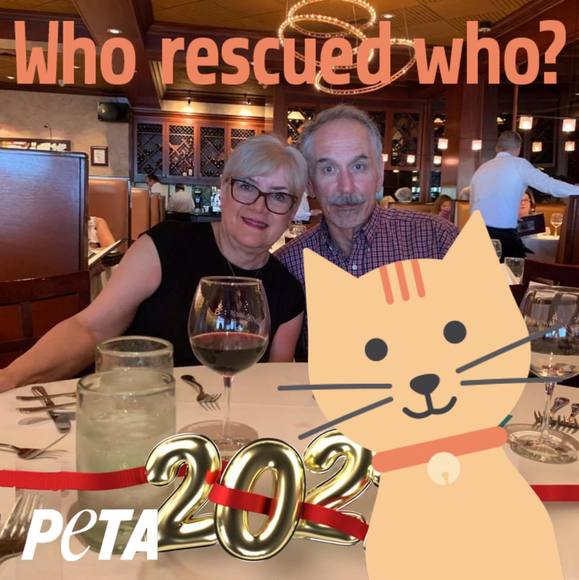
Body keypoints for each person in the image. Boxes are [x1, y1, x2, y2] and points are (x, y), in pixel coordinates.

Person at [0, 135, 308, 391]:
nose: (259, 206)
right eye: (246, 186)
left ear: (293, 211)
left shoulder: (288, 292)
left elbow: (271, 387)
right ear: (224, 190)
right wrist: (11, 378)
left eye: (279, 196)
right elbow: (90, 329)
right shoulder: (166, 245)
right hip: (137, 408)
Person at [275, 105, 458, 360]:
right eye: (328, 169)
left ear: (379, 175)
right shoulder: (289, 265)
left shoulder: (437, 241)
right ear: (310, 184)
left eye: (359, 167)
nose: (346, 188)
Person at [470, 130, 579, 258]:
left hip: (475, 234)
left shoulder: (481, 169)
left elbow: (474, 203)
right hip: (502, 237)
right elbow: (548, 185)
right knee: (515, 268)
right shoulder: (519, 164)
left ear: (497, 148)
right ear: (519, 148)